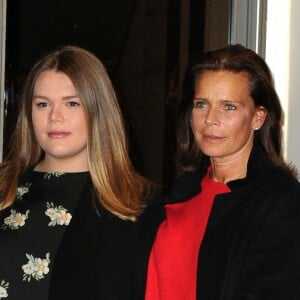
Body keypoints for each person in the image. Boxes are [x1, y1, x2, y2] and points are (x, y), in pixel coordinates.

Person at [136, 44, 300, 299]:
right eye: (202, 104)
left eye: (228, 107)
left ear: (258, 117)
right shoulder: (175, 195)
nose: (210, 118)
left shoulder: (279, 200)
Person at [0, 45, 151, 299]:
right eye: (42, 104)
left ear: (98, 111)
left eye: (71, 103)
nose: (55, 117)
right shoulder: (4, 188)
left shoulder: (136, 207)